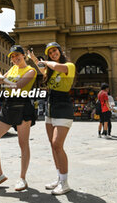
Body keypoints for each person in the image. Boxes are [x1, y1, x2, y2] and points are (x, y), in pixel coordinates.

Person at [0, 45, 37, 192]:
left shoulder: (31, 71)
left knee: (23, 144)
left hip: (23, 106)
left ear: (24, 56)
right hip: (8, 106)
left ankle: (22, 178)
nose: (14, 59)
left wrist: (2, 77)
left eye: (17, 55)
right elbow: (2, 79)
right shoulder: (13, 69)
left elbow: (17, 86)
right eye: (12, 57)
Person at [29, 42, 75, 195]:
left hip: (63, 107)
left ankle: (65, 182)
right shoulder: (50, 71)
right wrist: (35, 59)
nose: (53, 53)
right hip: (51, 107)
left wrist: (46, 61)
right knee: (52, 145)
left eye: (54, 51)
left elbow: (55, 66)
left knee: (57, 144)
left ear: (60, 52)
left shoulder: (69, 65)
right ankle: (59, 177)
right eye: (50, 53)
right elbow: (42, 68)